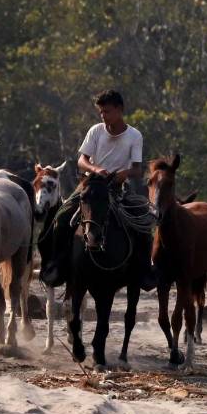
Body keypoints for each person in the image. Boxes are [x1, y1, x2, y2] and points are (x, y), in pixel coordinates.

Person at [41, 89, 157, 290]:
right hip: (91, 184)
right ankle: (57, 265)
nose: (103, 116)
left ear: (119, 110)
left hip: (118, 187)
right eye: (101, 112)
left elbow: (137, 169)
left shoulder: (134, 135)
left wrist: (122, 174)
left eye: (107, 111)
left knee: (143, 220)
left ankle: (144, 270)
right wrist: (96, 169)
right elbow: (81, 160)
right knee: (61, 217)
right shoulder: (95, 131)